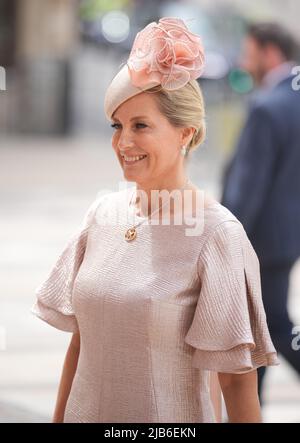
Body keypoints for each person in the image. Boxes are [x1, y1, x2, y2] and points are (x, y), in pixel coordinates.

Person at [31, 17, 279, 423]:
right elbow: (82, 343)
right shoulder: (102, 214)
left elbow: (236, 383)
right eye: (117, 126)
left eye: (140, 126)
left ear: (185, 133)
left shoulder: (217, 235)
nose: (122, 142)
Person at [221, 22, 300, 401]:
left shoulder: (267, 107)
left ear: (270, 53)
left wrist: (224, 238)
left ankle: (249, 406)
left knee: (272, 326)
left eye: (249, 53)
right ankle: (251, 405)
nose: (243, 62)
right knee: (260, 328)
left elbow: (246, 188)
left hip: (260, 240)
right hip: (286, 236)